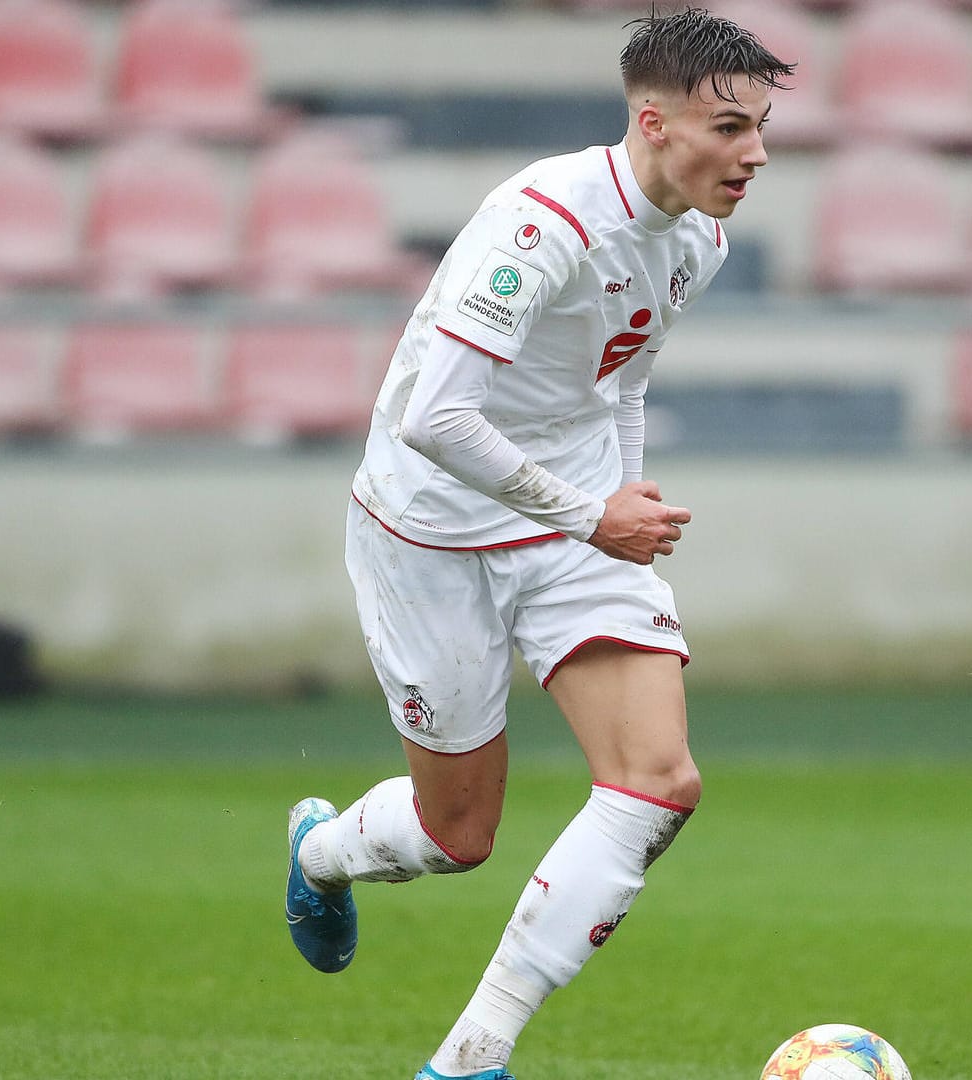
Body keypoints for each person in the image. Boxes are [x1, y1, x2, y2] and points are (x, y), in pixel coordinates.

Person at [280, 11, 793, 1080]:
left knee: (658, 781)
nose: (753, 152)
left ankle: (472, 1056)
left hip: (568, 522)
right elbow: (435, 417)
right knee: (457, 836)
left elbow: (625, 373)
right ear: (652, 122)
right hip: (428, 528)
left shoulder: (700, 234)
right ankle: (322, 853)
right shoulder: (541, 223)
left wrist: (619, 498)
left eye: (763, 127)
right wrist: (595, 514)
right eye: (729, 126)